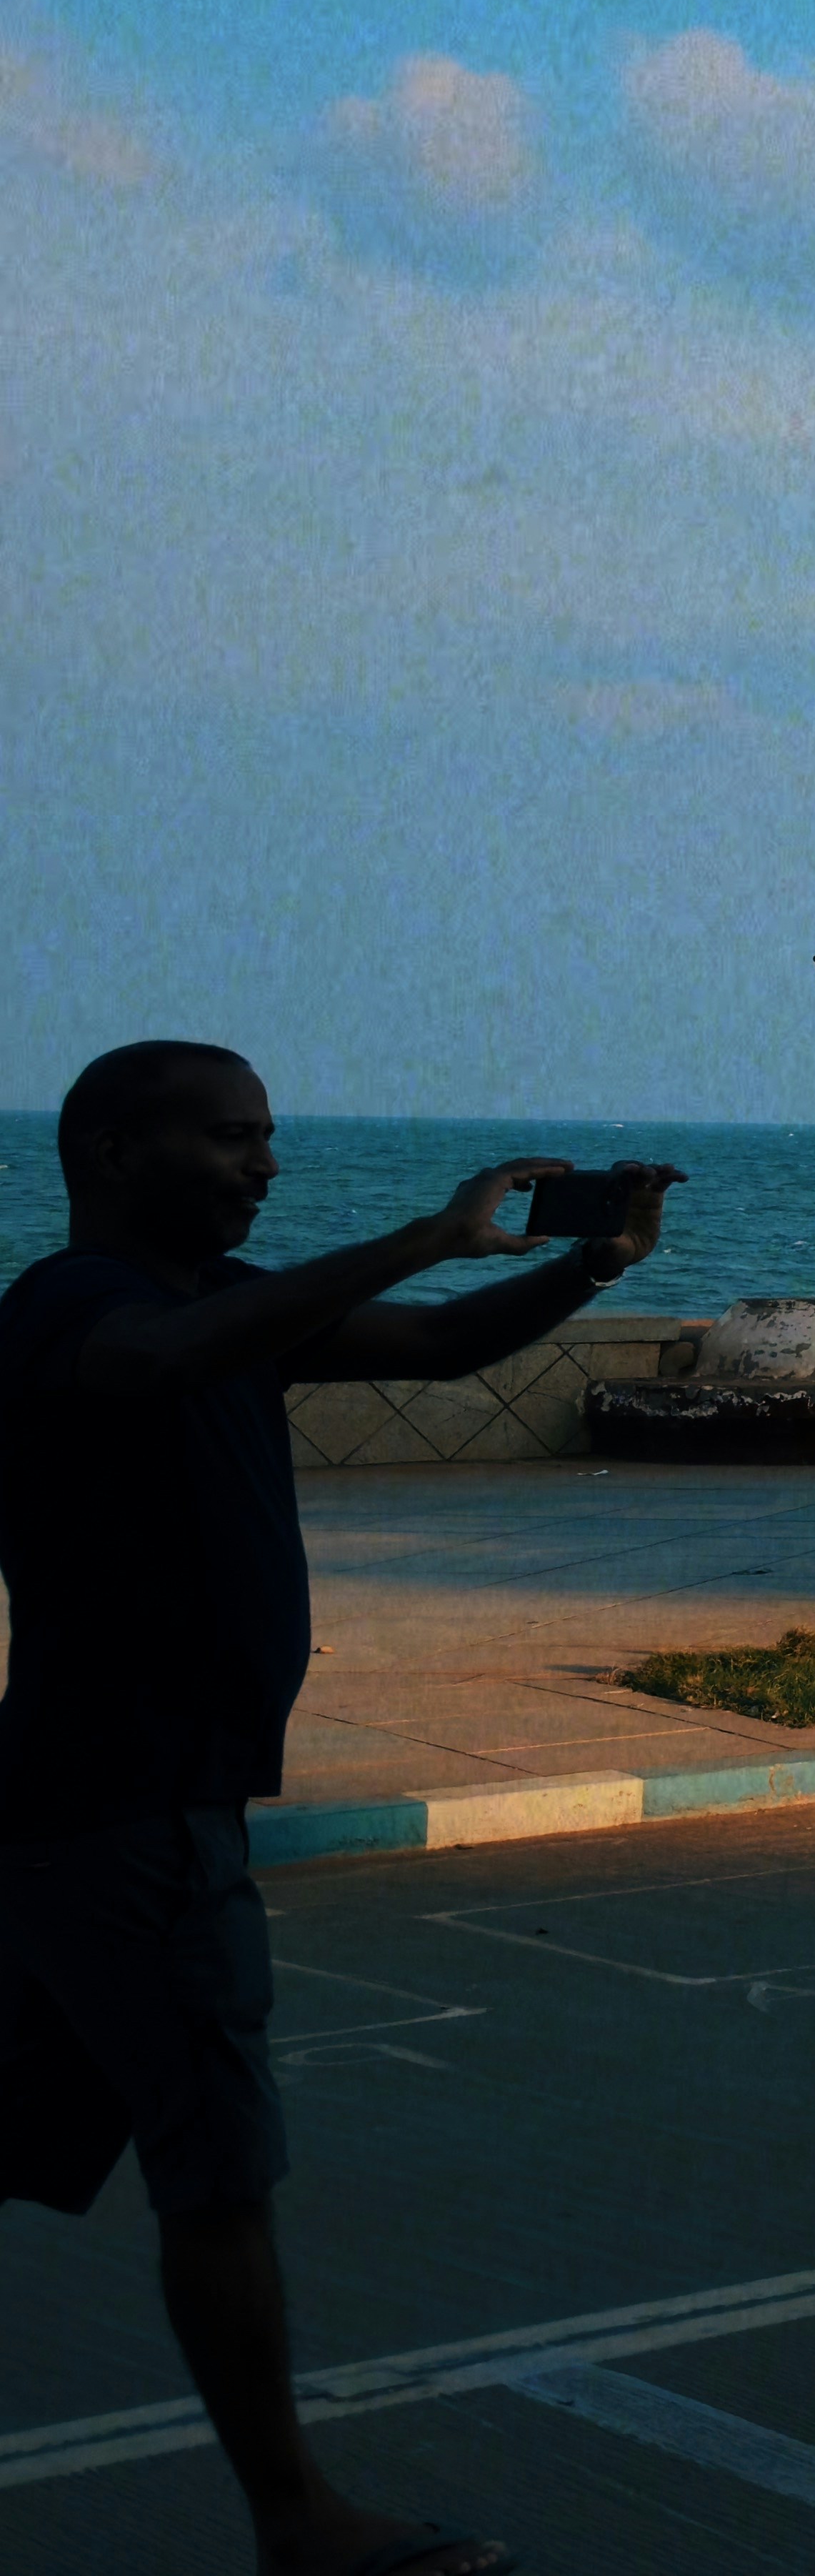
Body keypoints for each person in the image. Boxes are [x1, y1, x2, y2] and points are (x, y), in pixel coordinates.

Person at [9, 1043, 683, 2576]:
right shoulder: (72, 1312)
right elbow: (156, 1367)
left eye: (269, 1139)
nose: (264, 1167)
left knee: (41, 2122)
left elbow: (442, 1353)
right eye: (228, 1140)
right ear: (114, 1154)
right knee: (219, 2171)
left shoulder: (215, 1317)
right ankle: (298, 2524)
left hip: (99, 1807)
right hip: (128, 1808)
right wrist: (429, 1228)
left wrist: (588, 1266)